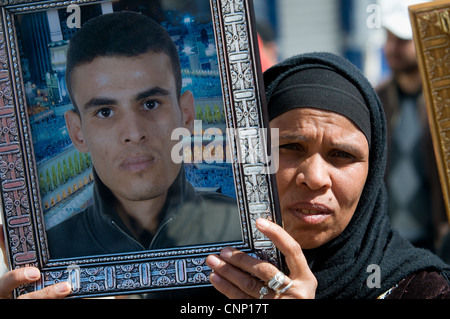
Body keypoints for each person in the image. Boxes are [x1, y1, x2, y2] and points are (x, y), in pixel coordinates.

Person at [0, 11, 241, 299]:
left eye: (151, 104)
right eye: (105, 112)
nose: (133, 132)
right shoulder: (49, 259)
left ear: (187, 115)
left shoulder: (246, 235)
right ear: (77, 132)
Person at [205, 52, 450, 299]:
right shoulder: (210, 272)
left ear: (372, 172)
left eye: (342, 154)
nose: (314, 178)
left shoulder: (421, 290)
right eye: (290, 146)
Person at [377, 0, 449, 254]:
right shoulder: (377, 99)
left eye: (401, 40)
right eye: (388, 38)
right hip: (390, 244)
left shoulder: (443, 102)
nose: (391, 47)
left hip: (437, 243)